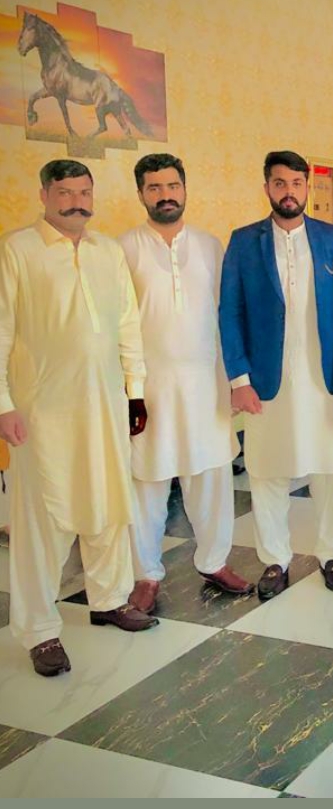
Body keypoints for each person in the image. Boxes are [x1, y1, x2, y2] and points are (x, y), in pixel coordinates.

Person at [0, 160, 156, 676]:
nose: (76, 202)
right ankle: (40, 630)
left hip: (105, 405)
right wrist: (3, 404)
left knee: (108, 503)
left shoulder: (107, 251)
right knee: (42, 520)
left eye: (84, 192)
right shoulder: (17, 250)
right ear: (44, 195)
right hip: (42, 412)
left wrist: (135, 392)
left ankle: (109, 600)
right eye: (65, 192)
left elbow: (128, 325)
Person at [120, 153, 253, 612]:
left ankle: (214, 561)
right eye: (154, 188)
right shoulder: (124, 248)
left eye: (172, 186)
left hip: (205, 384)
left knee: (211, 478)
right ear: (141, 193)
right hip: (149, 389)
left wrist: (236, 379)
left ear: (184, 189)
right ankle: (146, 575)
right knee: (148, 482)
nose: (165, 195)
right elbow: (119, 324)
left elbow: (228, 317)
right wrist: (129, 391)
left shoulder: (211, 245)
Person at [219, 150, 333, 601]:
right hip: (266, 378)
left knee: (331, 468)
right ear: (267, 188)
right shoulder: (243, 242)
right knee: (266, 469)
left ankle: (331, 553)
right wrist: (239, 380)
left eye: (296, 183)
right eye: (280, 183)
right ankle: (275, 558)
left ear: (307, 187)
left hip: (324, 375)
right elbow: (230, 312)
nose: (289, 191)